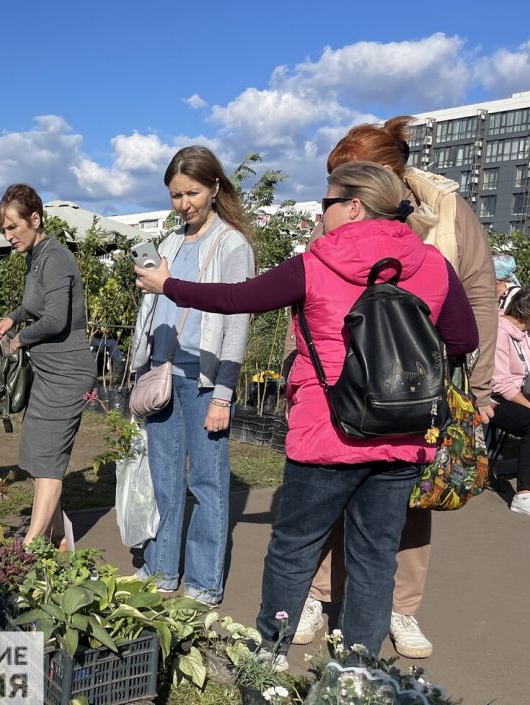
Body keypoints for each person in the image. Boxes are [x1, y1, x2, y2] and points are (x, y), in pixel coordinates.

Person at [136, 161, 478, 658]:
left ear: (353, 206)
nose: (322, 214)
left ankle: (269, 655)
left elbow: (240, 299)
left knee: (295, 547)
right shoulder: (431, 264)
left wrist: (169, 286)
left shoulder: (317, 263)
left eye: (326, 204)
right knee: (376, 556)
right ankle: (357, 667)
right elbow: (463, 338)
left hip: (328, 433)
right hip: (403, 433)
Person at [293, 116, 499, 658]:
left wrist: (479, 388)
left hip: (419, 380)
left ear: (391, 174)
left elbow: (479, 295)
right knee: (334, 482)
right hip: (347, 376)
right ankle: (317, 594)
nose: (339, 195)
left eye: (350, 180)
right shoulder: (340, 209)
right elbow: (308, 285)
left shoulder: (449, 213)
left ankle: (401, 609)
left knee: (413, 494)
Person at [128, 147, 254, 607]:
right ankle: (163, 568)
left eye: (193, 192)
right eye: (176, 195)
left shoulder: (231, 245)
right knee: (164, 477)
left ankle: (203, 581)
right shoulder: (171, 244)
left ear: (216, 187)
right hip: (164, 375)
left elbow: (237, 321)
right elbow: (157, 305)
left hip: (204, 382)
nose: (184, 204)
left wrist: (224, 394)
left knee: (207, 482)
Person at [0, 184, 97, 547]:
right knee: (36, 452)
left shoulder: (57, 258)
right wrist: (13, 316)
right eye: (3, 230)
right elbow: (35, 305)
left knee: (49, 456)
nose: (8, 236)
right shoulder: (35, 257)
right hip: (46, 371)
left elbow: (54, 319)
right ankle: (57, 535)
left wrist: (18, 339)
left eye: (12, 228)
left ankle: (30, 547)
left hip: (68, 372)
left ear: (35, 219)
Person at [491, 287, 530, 516]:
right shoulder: (500, 331)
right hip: (494, 399)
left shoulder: (523, 334)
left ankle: (499, 469)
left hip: (517, 393)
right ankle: (523, 493)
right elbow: (500, 383)